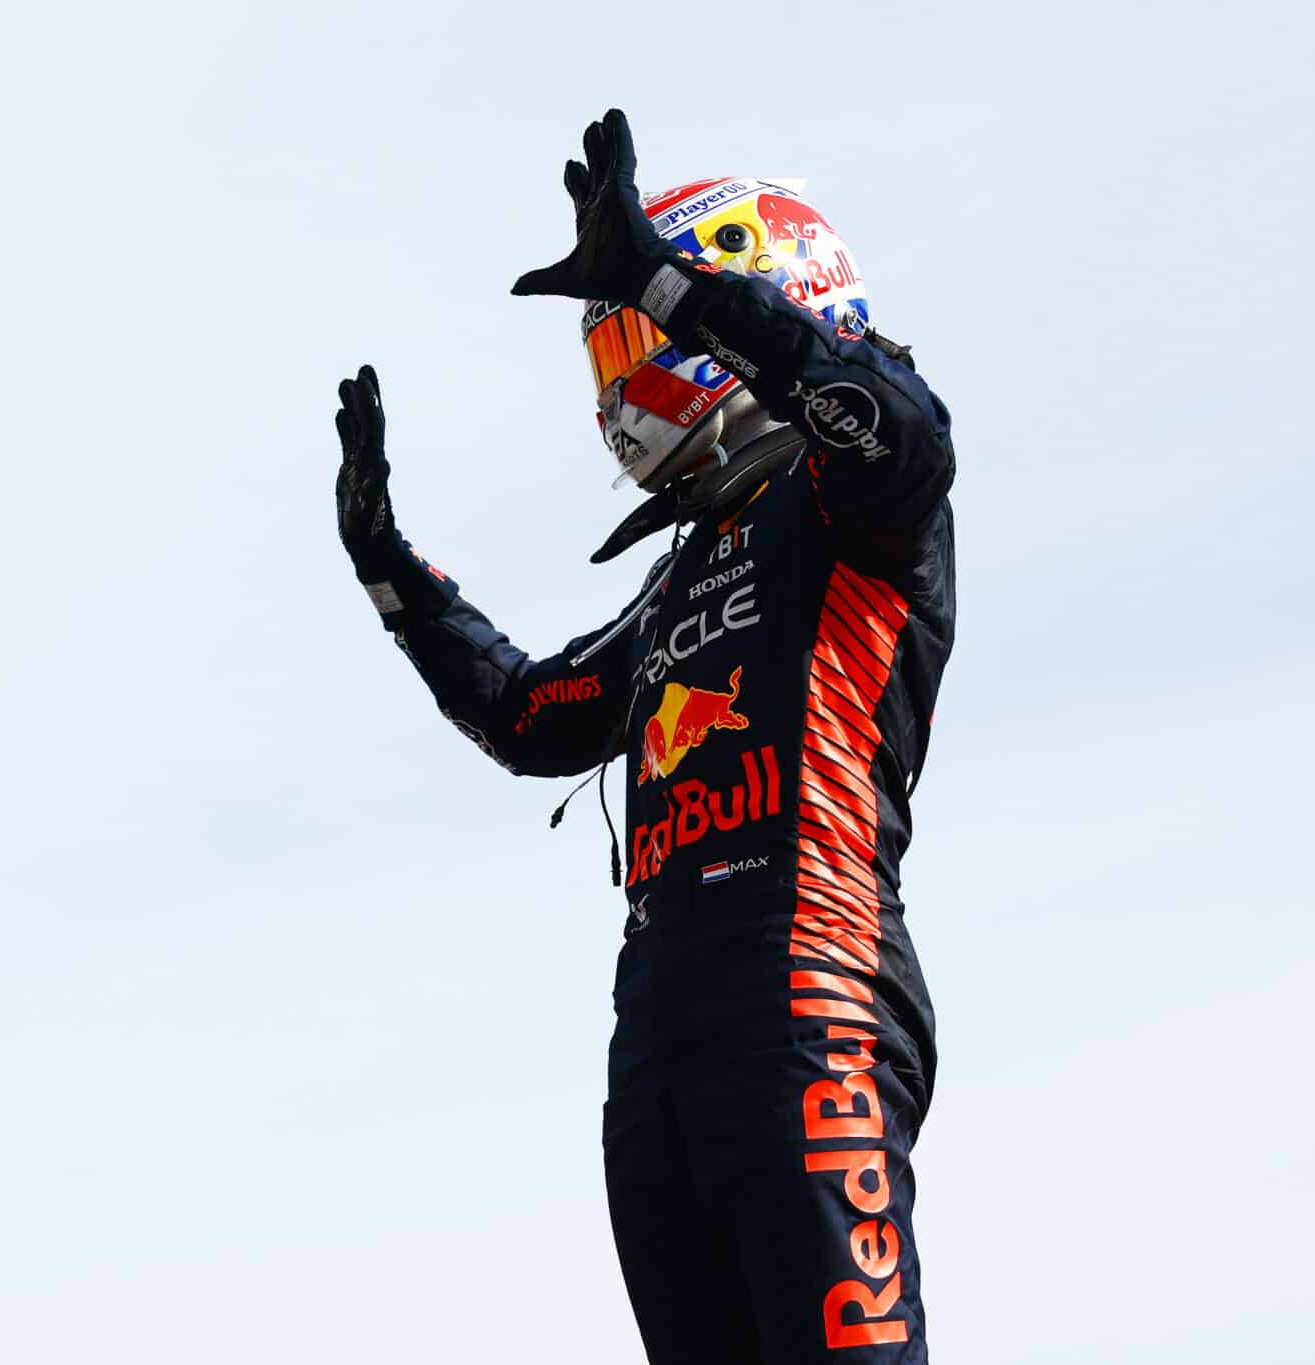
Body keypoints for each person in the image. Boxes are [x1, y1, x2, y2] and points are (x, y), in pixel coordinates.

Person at [333, 109, 955, 1363]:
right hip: (662, 1035)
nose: (625, 371)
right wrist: (388, 569)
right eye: (615, 338)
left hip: (808, 983)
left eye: (633, 331)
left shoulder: (855, 500)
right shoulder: (685, 574)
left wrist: (668, 283)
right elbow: (528, 715)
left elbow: (895, 427)